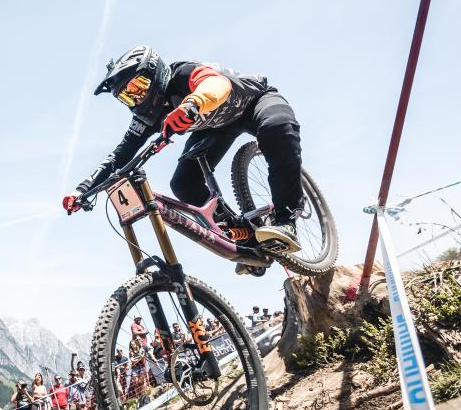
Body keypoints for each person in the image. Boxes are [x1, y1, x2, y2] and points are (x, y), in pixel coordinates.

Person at [63, 45, 305, 258]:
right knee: (183, 184)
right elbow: (119, 157)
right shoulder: (147, 117)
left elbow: (218, 84)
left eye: (138, 86)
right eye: (127, 96)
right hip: (215, 127)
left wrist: (192, 103)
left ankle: (287, 219)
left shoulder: (182, 74)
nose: (137, 98)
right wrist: (83, 190)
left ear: (154, 72)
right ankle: (243, 236)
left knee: (278, 129)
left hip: (254, 100)